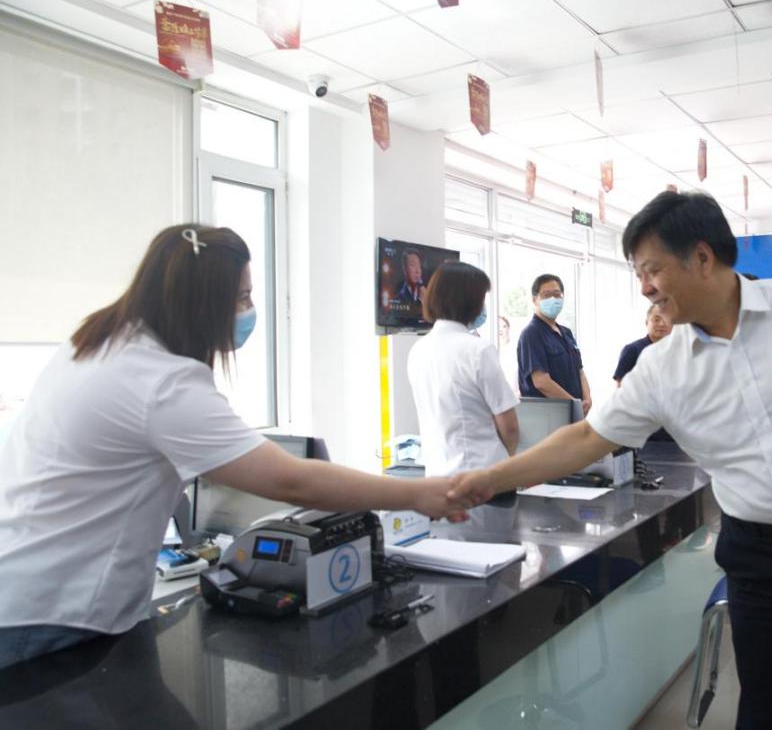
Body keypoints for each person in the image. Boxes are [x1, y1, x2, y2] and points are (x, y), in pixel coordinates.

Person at [451, 191, 772, 729]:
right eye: (638, 274)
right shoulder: (661, 367)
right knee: (766, 712)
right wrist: (488, 479)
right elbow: (585, 438)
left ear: (703, 258)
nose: (645, 287)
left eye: (652, 270)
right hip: (759, 557)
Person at [0, 225, 472, 670]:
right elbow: (289, 479)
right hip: (54, 613)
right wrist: (418, 494)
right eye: (242, 297)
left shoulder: (100, 342)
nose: (249, 309)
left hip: (31, 588)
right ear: (200, 302)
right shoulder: (159, 380)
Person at [407, 261, 520, 506]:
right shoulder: (478, 350)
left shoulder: (418, 350)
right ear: (469, 301)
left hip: (437, 479)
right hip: (484, 481)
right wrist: (509, 460)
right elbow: (509, 426)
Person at [517, 274, 592, 415]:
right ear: (534, 300)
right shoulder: (531, 333)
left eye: (557, 295)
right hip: (547, 415)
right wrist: (574, 404)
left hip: (572, 411)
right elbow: (541, 382)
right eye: (546, 295)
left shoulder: (566, 333)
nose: (552, 299)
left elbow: (580, 371)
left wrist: (587, 398)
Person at [613, 304, 672, 386]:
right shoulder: (632, 349)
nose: (662, 324)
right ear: (647, 323)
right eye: (656, 320)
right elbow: (621, 386)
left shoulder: (678, 349)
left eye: (666, 319)